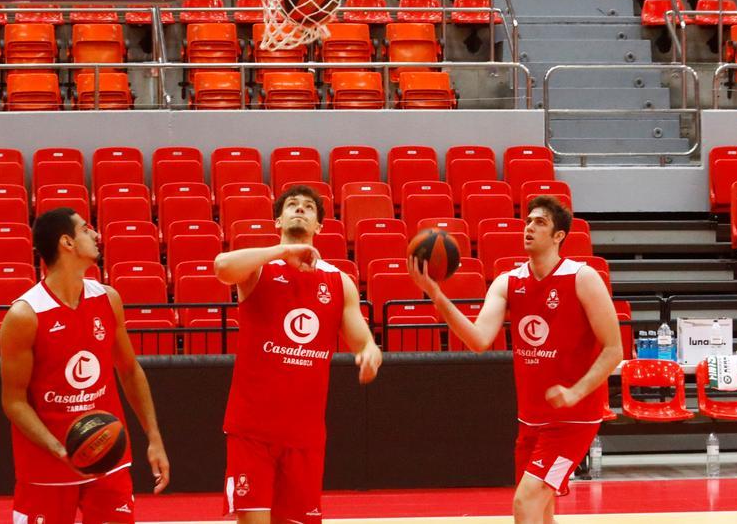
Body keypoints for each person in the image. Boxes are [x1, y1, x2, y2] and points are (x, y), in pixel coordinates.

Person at [408, 195, 621, 524]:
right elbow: (479, 340)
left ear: (558, 236)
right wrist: (437, 295)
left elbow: (613, 350)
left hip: (575, 421)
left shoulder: (583, 278)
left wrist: (576, 392)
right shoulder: (509, 281)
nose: (529, 227)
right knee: (541, 510)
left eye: (540, 223)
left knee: (525, 503)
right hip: (531, 419)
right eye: (528, 221)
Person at [214, 184, 383, 524]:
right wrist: (280, 251)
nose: (300, 209)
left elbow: (365, 343)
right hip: (252, 431)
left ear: (319, 225)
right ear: (278, 219)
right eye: (292, 205)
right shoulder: (260, 268)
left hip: (305, 435)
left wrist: (369, 356)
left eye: (309, 207)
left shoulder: (339, 281)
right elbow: (222, 266)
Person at [0, 207, 170, 524]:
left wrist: (154, 438)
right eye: (86, 229)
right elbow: (14, 401)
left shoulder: (108, 299)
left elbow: (130, 371)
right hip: (47, 467)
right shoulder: (25, 315)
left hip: (108, 456)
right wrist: (60, 449)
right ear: (66, 242)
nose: (95, 234)